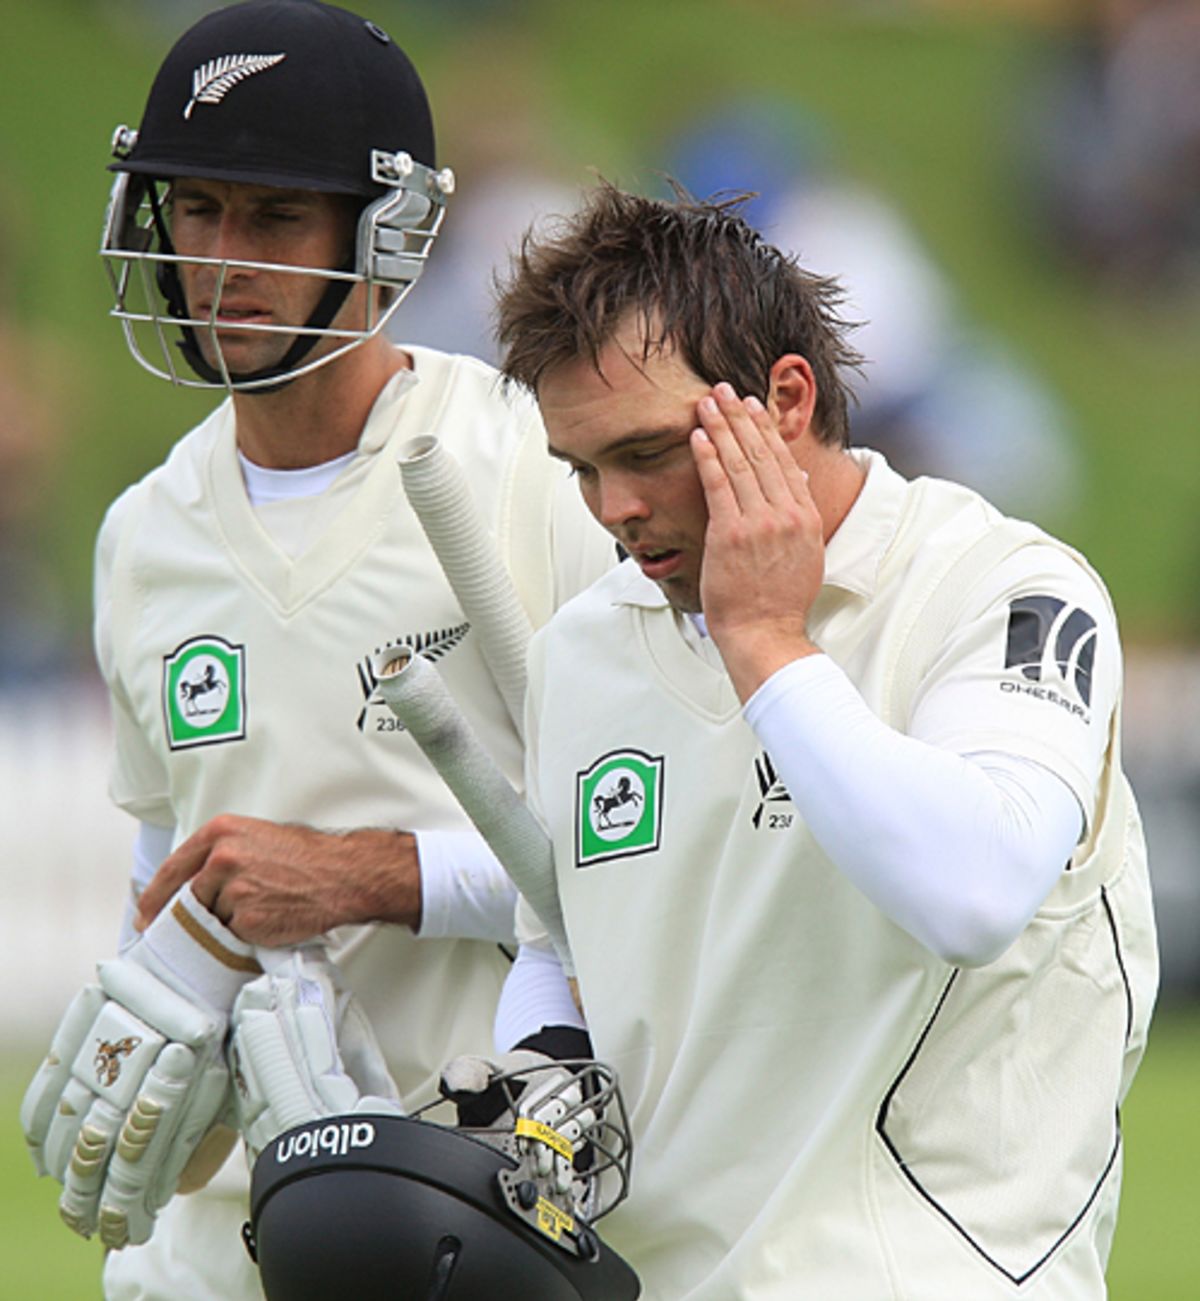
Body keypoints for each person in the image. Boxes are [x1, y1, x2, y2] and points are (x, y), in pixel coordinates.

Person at [26, 3, 611, 1299]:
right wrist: (160, 1003)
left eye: (274, 219)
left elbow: (650, 854)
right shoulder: (145, 536)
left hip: (471, 1205)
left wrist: (366, 874)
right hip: (224, 1238)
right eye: (194, 209)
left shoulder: (528, 465)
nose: (220, 260)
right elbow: (168, 859)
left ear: (385, 232)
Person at [482, 182, 1159, 1298]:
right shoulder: (581, 653)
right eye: (581, 468)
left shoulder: (1001, 588)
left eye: (648, 451)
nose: (612, 507)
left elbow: (975, 890)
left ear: (786, 398)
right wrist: (543, 1065)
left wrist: (763, 638)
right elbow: (557, 939)